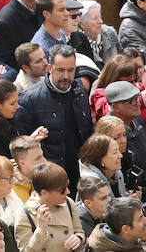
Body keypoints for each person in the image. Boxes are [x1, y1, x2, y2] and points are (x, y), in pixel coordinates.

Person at [15, 44, 93, 190]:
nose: (66, 76)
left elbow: (87, 130)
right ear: (49, 68)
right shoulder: (30, 99)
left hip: (82, 172)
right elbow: (21, 143)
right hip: (50, 179)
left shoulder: (79, 92)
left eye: (71, 70)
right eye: (60, 70)